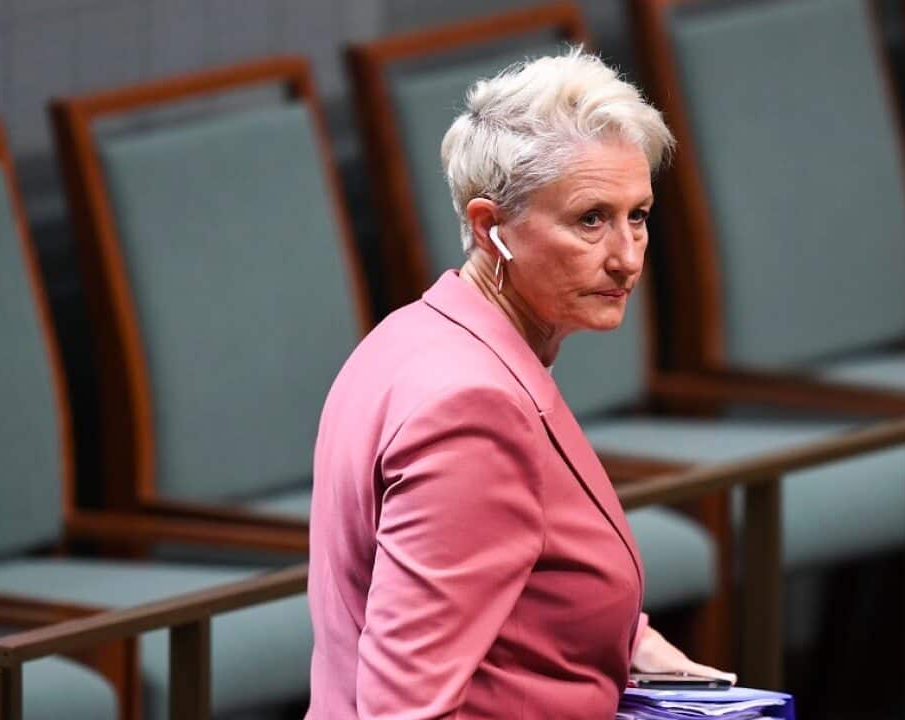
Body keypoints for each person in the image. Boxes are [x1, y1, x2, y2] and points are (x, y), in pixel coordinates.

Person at [306, 48, 733, 718]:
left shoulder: (413, 335)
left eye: (638, 216)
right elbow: (404, 709)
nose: (625, 257)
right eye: (590, 219)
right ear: (489, 226)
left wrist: (637, 646)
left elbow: (513, 594)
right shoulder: (471, 410)